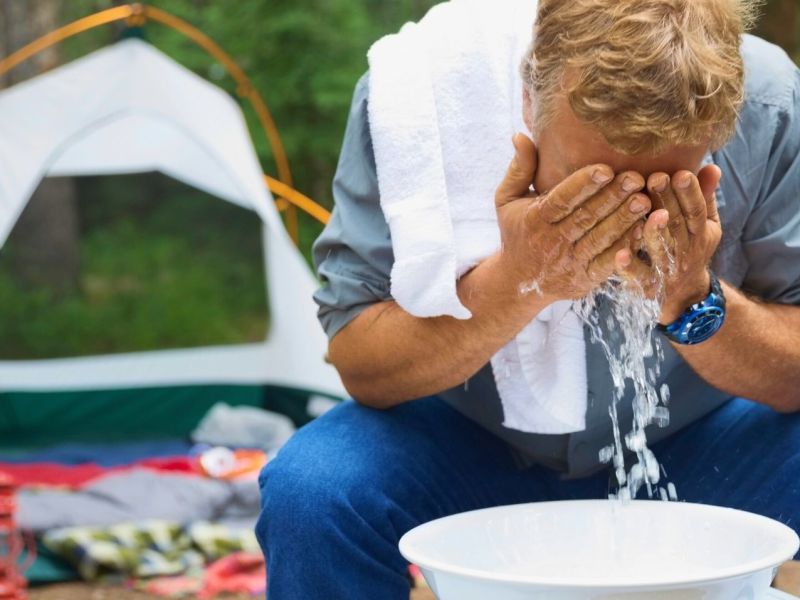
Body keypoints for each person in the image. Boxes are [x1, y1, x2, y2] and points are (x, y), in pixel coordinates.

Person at [256, 0, 800, 598]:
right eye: (586, 186)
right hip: (469, 439)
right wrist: (520, 280)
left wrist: (690, 297)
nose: (620, 219)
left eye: (656, 189)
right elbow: (361, 367)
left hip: (696, 436)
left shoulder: (769, 102)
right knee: (312, 490)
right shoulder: (413, 97)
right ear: (525, 100)